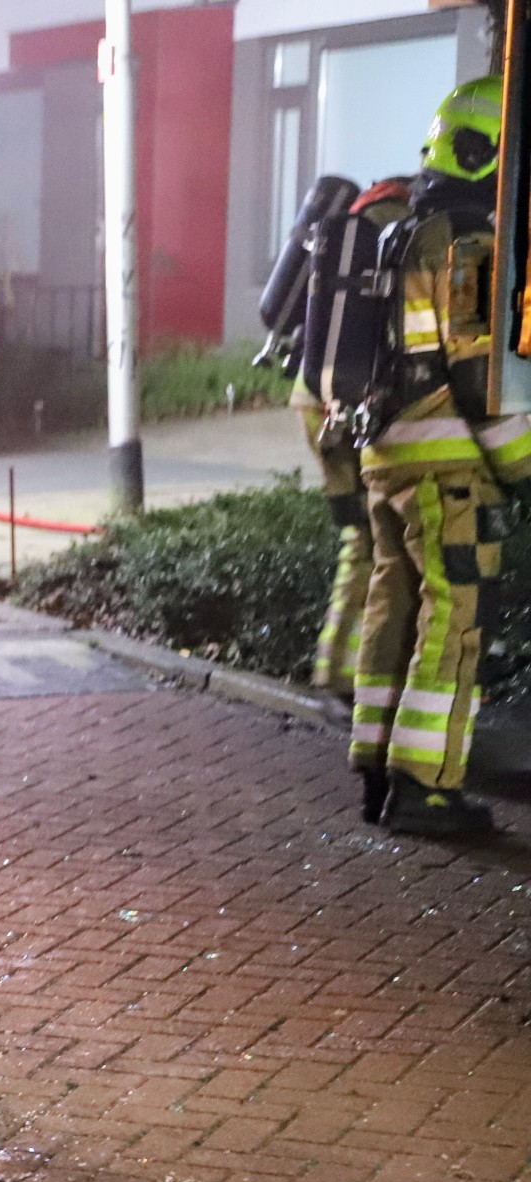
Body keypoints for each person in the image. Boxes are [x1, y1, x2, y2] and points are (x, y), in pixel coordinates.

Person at [350, 79, 531, 837]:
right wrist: (522, 466)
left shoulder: (406, 228)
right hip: (444, 463)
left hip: (386, 454)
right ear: (485, 151)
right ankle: (425, 786)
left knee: (393, 604)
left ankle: (376, 761)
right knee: (454, 619)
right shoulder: (470, 240)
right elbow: (478, 368)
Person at [297, 177, 412, 698]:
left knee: (356, 537)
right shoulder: (403, 224)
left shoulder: (356, 222)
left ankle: (334, 667)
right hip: (351, 400)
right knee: (369, 542)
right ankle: (343, 676)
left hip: (315, 399)